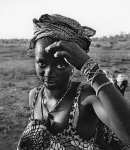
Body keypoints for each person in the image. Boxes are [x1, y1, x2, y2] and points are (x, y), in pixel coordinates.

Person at [17, 14, 130, 150]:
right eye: (41, 63)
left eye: (60, 65)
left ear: (73, 65)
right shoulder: (34, 96)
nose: (48, 72)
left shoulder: (86, 97)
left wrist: (89, 67)